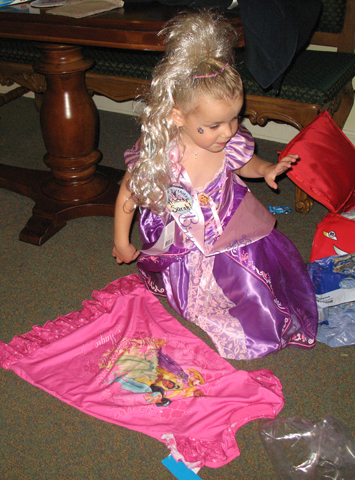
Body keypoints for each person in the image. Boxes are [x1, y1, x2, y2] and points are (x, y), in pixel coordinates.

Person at [112, 10, 318, 360]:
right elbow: (128, 192)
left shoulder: (227, 141)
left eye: (234, 119)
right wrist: (121, 240)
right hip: (183, 233)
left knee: (255, 282)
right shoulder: (162, 154)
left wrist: (267, 169)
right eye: (214, 125)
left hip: (231, 224)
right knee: (196, 293)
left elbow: (244, 163)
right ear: (178, 116)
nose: (228, 132)